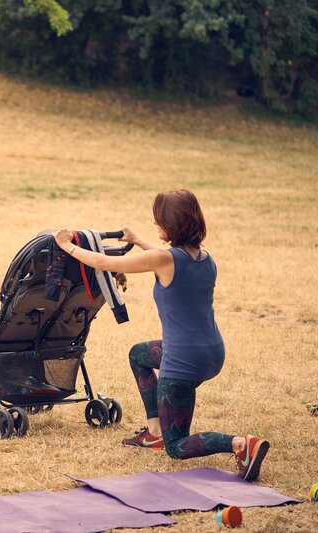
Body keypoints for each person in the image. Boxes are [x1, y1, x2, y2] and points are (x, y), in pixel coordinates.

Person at [52, 189, 269, 481]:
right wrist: (137, 239)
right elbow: (163, 258)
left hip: (182, 361)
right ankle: (154, 431)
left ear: (173, 224)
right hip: (212, 353)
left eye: (160, 221)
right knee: (138, 354)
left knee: (177, 446)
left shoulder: (165, 260)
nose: (156, 225)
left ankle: (241, 444)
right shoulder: (206, 259)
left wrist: (67, 246)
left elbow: (106, 264)